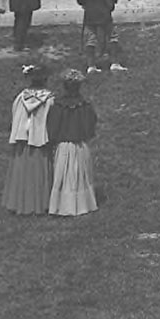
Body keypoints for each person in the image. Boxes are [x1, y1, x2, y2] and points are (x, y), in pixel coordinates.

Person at [2, 62, 54, 215]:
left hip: (23, 142)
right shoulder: (50, 99)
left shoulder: (20, 98)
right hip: (40, 141)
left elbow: (15, 116)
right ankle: (41, 202)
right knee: (39, 173)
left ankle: (20, 202)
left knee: (22, 172)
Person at [47, 70, 98, 216]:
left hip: (63, 147)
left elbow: (52, 126)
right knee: (80, 175)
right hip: (80, 145)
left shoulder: (57, 106)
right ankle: (82, 204)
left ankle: (62, 205)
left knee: (63, 176)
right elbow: (91, 124)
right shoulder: (85, 105)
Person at [76, 0, 125, 73]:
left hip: (89, 14)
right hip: (103, 13)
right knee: (112, 37)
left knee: (90, 39)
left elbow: (79, 0)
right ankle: (114, 63)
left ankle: (91, 66)